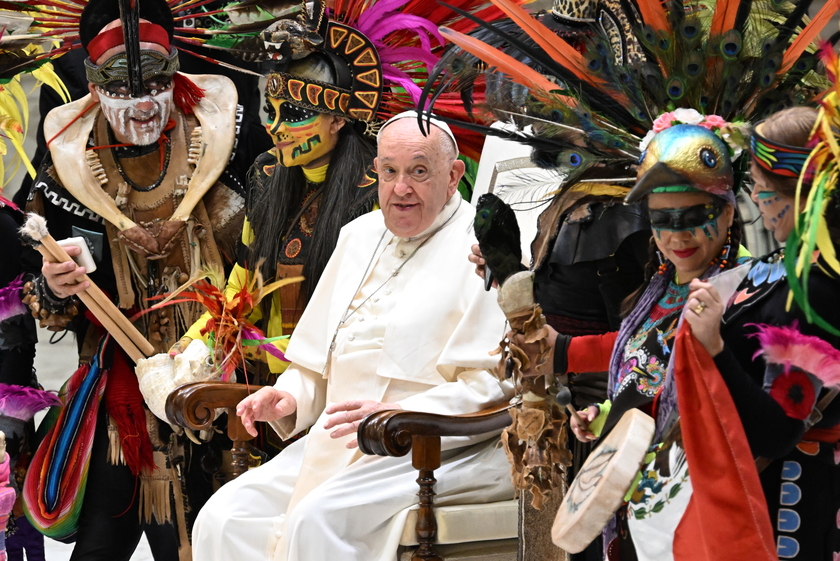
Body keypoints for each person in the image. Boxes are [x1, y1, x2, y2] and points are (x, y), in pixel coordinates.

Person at [190, 112, 514, 561]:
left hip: (429, 445)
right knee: (224, 515)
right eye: (389, 171)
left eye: (419, 172)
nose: (401, 188)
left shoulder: (485, 249)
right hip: (340, 439)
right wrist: (290, 398)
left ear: (454, 175)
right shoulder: (359, 235)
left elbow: (493, 385)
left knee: (315, 521)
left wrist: (404, 413)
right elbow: (316, 359)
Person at [19, 0, 246, 558]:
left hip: (212, 382)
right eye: (119, 86)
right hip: (116, 389)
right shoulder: (64, 168)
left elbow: (258, 260)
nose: (142, 102)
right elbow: (45, 298)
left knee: (203, 537)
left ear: (179, 75)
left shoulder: (226, 142)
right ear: (93, 86)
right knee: (103, 539)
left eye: (157, 80)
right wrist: (55, 284)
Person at [515, 121, 754, 559]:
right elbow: (645, 363)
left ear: (727, 212)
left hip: (702, 507)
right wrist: (606, 414)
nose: (677, 236)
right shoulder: (659, 287)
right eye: (663, 220)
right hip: (640, 502)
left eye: (694, 217)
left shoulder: (745, 290)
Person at [685, 105, 840, 560]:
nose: (756, 198)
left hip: (792, 504)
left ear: (803, 198)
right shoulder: (788, 261)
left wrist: (714, 344)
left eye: (765, 190)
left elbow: (777, 432)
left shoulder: (819, 291)